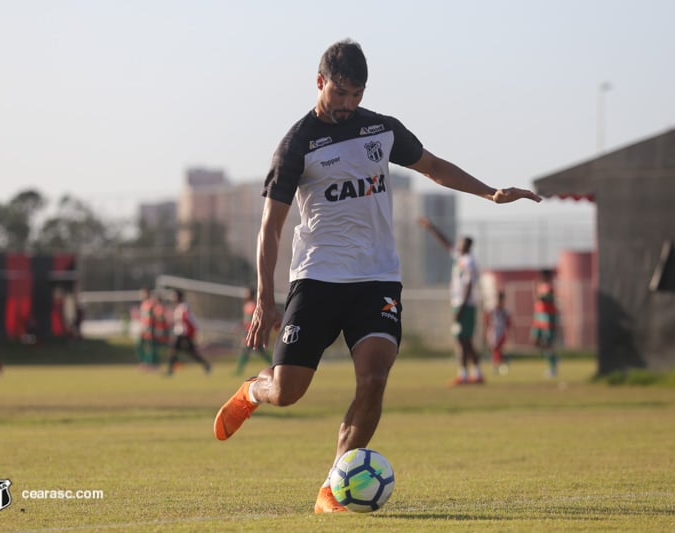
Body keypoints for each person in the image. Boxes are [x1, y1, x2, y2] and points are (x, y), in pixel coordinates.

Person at [212, 39, 541, 514]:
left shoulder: (381, 131)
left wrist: (489, 193)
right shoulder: (296, 145)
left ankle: (333, 486)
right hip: (318, 279)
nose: (348, 105)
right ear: (320, 81)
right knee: (287, 391)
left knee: (374, 377)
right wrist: (265, 297)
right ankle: (252, 391)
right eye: (340, 93)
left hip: (377, 279)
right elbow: (272, 225)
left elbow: (432, 166)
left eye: (357, 95)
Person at [417, 217, 483, 385]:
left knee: (460, 339)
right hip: (461, 304)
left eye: (461, 243)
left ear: (467, 246)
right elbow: (445, 242)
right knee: (465, 339)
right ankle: (476, 373)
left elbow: (468, 285)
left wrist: (460, 308)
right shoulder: (459, 257)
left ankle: (463, 375)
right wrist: (431, 227)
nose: (458, 245)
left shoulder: (469, 262)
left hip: (465, 305)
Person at [166, 290, 212, 376]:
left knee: (179, 350)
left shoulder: (183, 307)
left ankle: (170, 370)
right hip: (180, 333)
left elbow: (188, 320)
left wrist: (192, 333)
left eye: (174, 296)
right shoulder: (179, 307)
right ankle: (171, 369)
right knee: (183, 351)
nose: (173, 298)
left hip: (183, 333)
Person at [234, 287, 272, 376]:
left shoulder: (255, 305)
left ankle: (275, 365)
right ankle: (239, 370)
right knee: (248, 351)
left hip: (253, 332)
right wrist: (239, 326)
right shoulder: (246, 305)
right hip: (248, 332)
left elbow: (255, 319)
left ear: (251, 294)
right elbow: (245, 320)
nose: (245, 294)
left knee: (249, 350)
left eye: (247, 293)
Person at [530, 269, 559, 377]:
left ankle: (553, 367)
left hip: (547, 318)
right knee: (535, 341)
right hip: (538, 318)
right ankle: (554, 358)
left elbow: (548, 297)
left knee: (548, 343)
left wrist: (541, 297)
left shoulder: (549, 287)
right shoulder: (539, 287)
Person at [485, 290, 512, 375]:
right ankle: (499, 364)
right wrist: (487, 330)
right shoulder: (491, 309)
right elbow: (486, 320)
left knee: (498, 349)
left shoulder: (505, 311)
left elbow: (508, 322)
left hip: (501, 332)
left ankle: (500, 365)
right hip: (493, 332)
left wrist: (508, 331)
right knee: (495, 349)